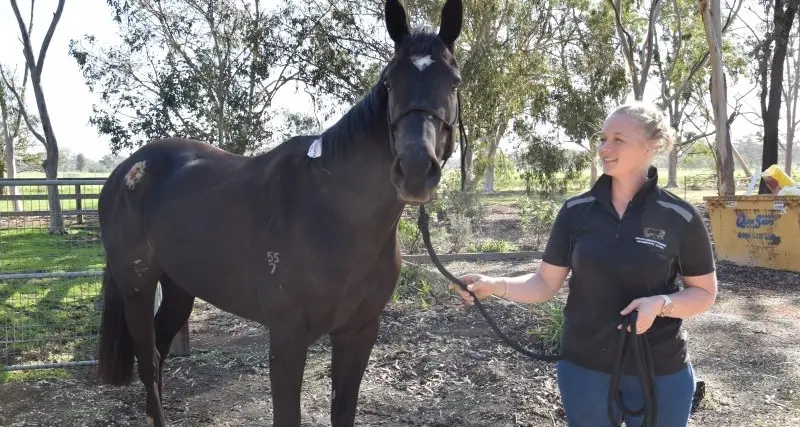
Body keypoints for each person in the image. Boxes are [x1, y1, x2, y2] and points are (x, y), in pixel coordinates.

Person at [451, 101, 718, 427]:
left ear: (652, 146)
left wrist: (660, 304)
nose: (604, 148)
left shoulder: (680, 216)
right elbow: (543, 283)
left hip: (660, 370)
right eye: (603, 138)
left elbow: (704, 293)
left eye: (618, 139)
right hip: (584, 369)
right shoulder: (576, 212)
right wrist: (494, 285)